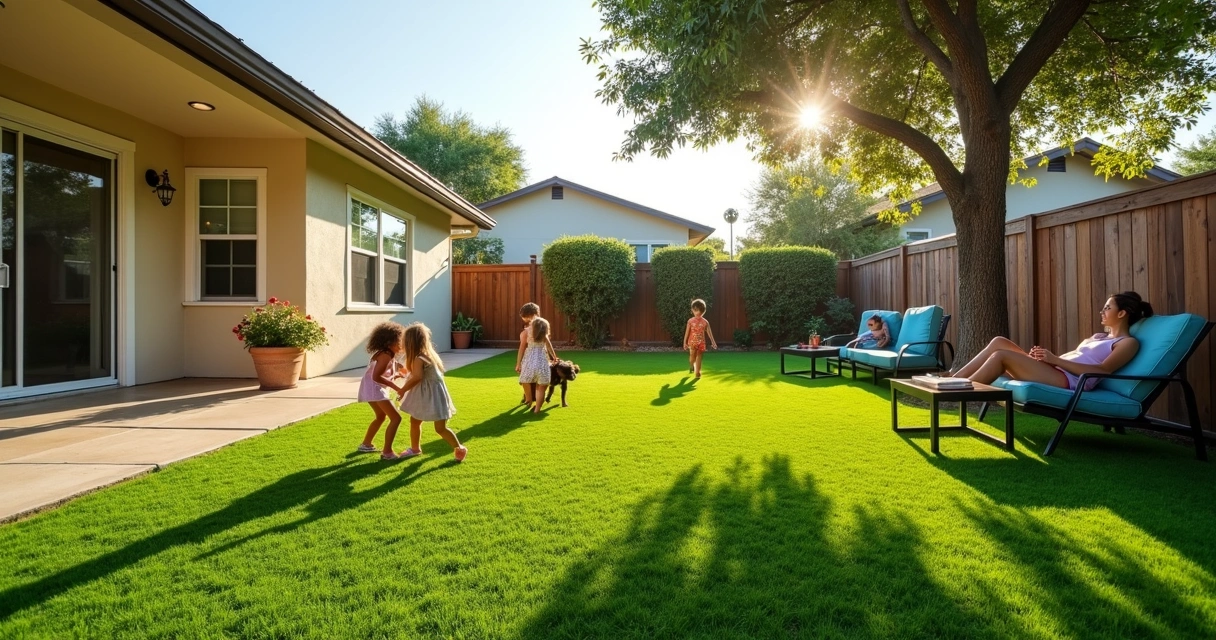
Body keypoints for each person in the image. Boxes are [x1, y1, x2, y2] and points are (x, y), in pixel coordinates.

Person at [950, 291, 1153, 388]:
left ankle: (959, 391)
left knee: (1001, 356)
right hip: (1056, 370)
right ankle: (951, 381)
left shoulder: (1127, 343)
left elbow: (1103, 370)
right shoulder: (1100, 337)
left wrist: (1054, 360)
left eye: (1108, 307)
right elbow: (1076, 358)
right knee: (999, 341)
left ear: (1122, 314)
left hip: (1068, 381)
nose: (1102, 311)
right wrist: (1044, 360)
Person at [396, 322, 466, 462]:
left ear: (410, 343)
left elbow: (417, 377)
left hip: (430, 396)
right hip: (430, 395)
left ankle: (459, 448)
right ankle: (415, 448)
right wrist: (402, 372)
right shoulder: (427, 355)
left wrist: (403, 390)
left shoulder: (419, 358)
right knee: (416, 421)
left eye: (404, 341)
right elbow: (415, 374)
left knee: (439, 428)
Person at [356, 322, 408, 460]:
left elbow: (384, 373)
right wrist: (397, 388)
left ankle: (366, 444)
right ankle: (387, 452)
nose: (402, 344)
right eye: (400, 340)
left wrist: (397, 374)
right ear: (389, 342)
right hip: (375, 389)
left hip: (371, 388)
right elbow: (376, 376)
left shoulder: (388, 354)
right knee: (396, 418)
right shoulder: (385, 355)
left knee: (380, 416)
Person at [518, 316, 559, 413]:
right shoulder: (544, 336)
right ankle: (537, 410)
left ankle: (528, 400)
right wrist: (554, 357)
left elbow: (521, 349)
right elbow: (549, 346)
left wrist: (518, 363)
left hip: (529, 362)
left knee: (525, 380)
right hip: (542, 363)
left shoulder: (527, 334)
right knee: (541, 387)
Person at [683, 299, 718, 379]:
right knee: (692, 357)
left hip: (701, 343)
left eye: (700, 311)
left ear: (703, 311)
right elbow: (687, 333)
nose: (698, 313)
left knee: (699, 356)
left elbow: (709, 333)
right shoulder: (690, 321)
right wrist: (684, 342)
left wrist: (713, 342)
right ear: (692, 310)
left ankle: (697, 372)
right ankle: (692, 365)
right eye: (696, 310)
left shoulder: (705, 322)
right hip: (692, 342)